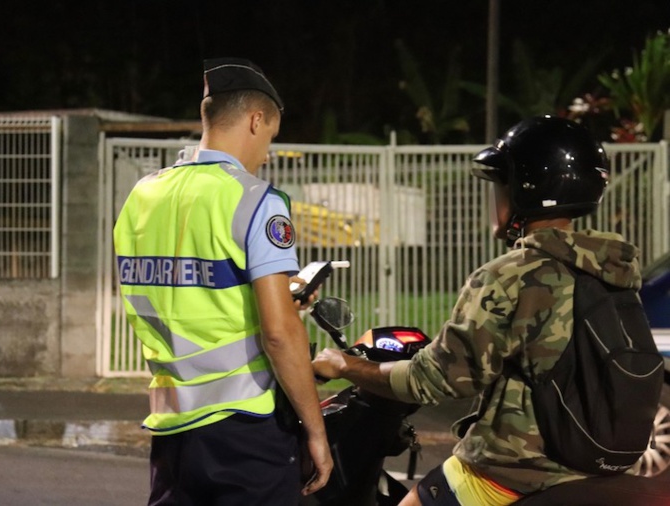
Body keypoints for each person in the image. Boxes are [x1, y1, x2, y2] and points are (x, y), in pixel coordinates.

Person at [312, 116, 642, 505]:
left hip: (514, 472)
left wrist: (345, 366)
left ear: (524, 191)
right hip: (599, 470)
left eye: (500, 185)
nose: (494, 199)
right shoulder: (614, 272)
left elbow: (438, 380)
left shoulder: (511, 275)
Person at [113, 57, 332, 505]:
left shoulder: (142, 195)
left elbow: (184, 288)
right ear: (255, 120)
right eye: (270, 136)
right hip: (244, 429)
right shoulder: (256, 201)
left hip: (171, 427)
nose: (267, 153)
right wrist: (316, 431)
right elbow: (278, 334)